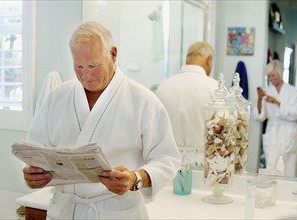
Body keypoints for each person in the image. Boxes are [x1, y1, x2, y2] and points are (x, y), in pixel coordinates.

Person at [22, 21, 181, 219]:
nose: (86, 75)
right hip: (65, 211)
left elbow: (167, 159)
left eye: (93, 66)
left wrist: (135, 178)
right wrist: (32, 174)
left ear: (113, 54)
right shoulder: (56, 97)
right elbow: (34, 149)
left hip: (116, 212)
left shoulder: (143, 100)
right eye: (78, 66)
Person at [155, 41, 217, 169]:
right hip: (204, 165)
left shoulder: (164, 86)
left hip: (167, 163)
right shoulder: (215, 88)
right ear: (209, 61)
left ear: (187, 60)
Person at [254, 60, 297, 177]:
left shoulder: (293, 91)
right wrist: (260, 99)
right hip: (272, 131)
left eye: (273, 75)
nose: (271, 79)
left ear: (280, 73)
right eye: (269, 76)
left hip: (289, 131)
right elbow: (260, 116)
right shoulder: (266, 91)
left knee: (289, 167)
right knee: (271, 165)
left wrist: (277, 103)